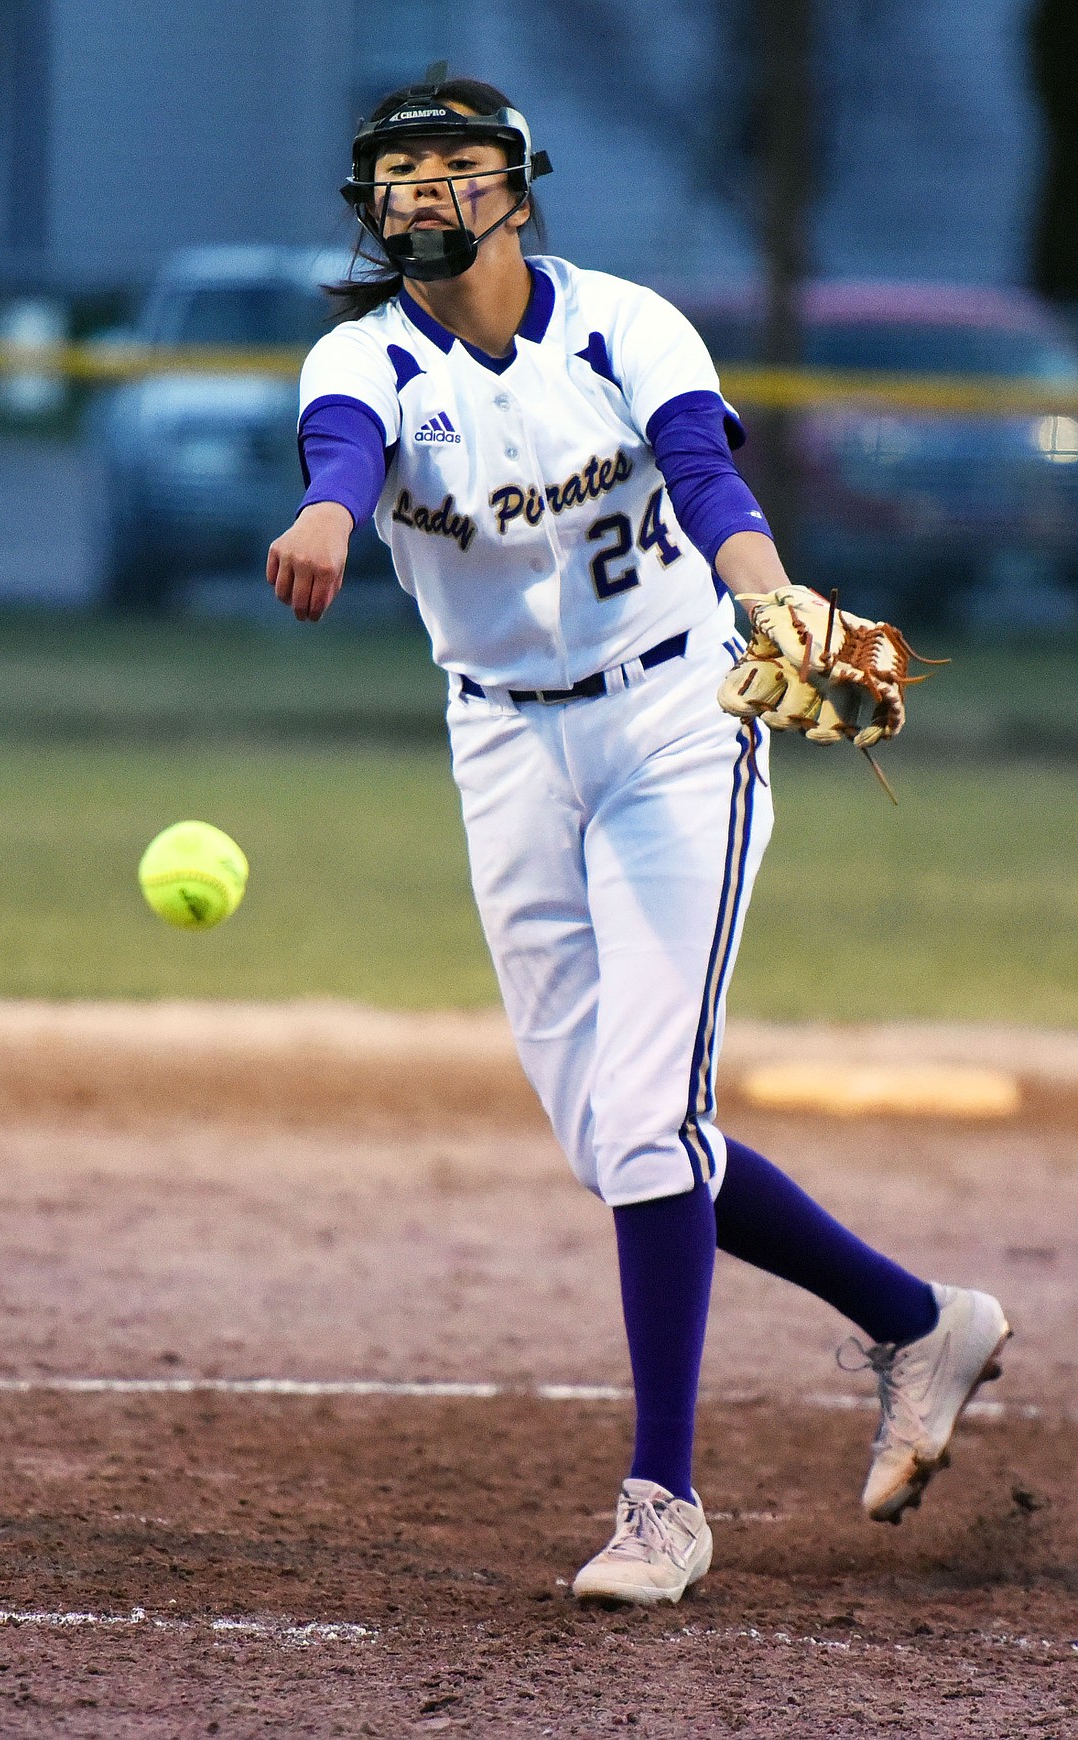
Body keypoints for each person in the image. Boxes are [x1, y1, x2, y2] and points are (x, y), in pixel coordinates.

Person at [266, 71, 1010, 1605]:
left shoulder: (622, 322)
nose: (424, 197)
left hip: (676, 721)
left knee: (644, 1111)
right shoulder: (358, 358)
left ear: (518, 191)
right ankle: (921, 1320)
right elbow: (346, 448)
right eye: (400, 176)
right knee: (616, 1134)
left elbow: (704, 471)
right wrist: (331, 516)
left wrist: (772, 596)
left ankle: (663, 1503)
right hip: (500, 740)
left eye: (456, 170)